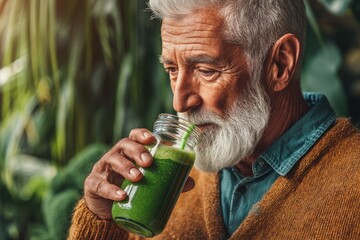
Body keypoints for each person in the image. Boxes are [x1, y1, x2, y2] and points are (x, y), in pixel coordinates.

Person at [68, 0, 360, 239]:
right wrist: (101, 223)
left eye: (206, 70)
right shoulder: (167, 182)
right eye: (171, 69)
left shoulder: (352, 187)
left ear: (280, 64)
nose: (179, 101)